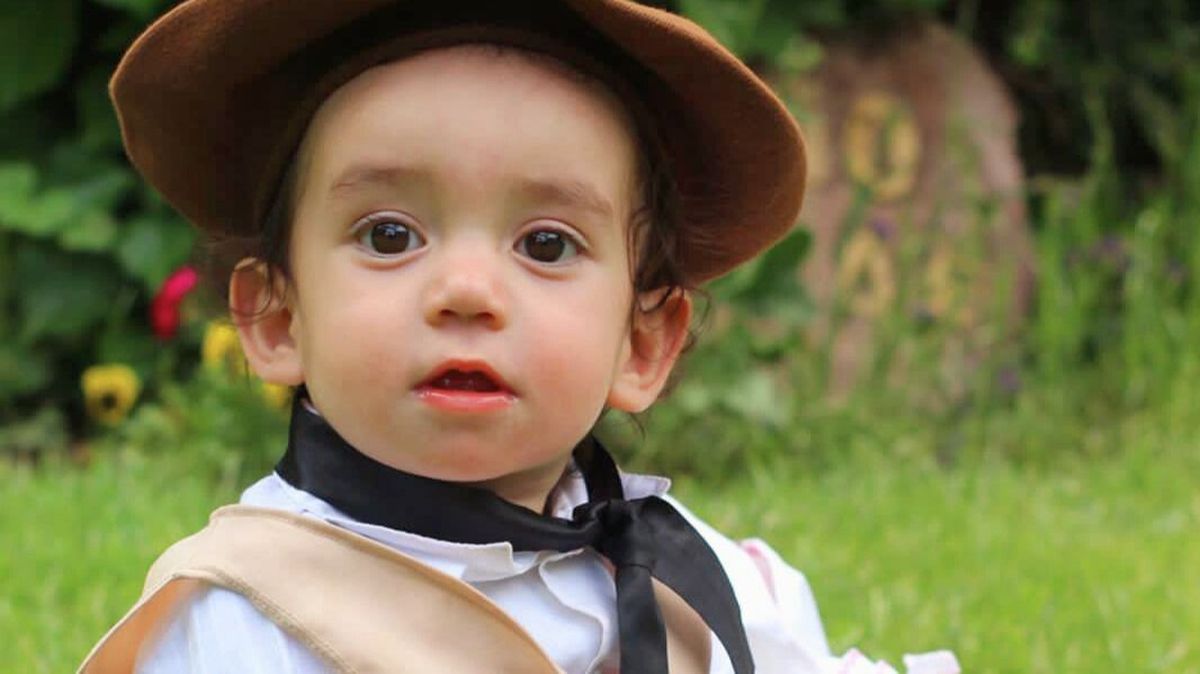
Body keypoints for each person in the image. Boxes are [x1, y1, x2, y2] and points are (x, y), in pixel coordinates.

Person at [81, 1, 960, 673]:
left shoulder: (688, 578)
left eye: (546, 244)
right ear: (278, 320)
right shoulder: (240, 617)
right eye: (390, 235)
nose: (467, 291)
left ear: (642, 345)